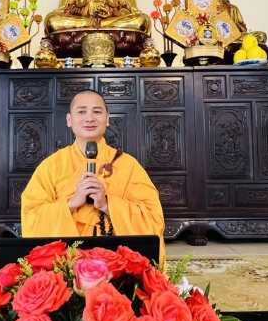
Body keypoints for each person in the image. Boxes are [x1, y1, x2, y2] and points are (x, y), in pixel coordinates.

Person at [20, 89, 166, 266]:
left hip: (117, 259)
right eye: (81, 111)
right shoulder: (51, 166)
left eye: (97, 111)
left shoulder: (128, 165)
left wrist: (107, 204)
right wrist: (72, 203)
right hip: (67, 260)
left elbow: (152, 218)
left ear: (107, 119)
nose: (89, 118)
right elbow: (31, 216)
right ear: (69, 120)